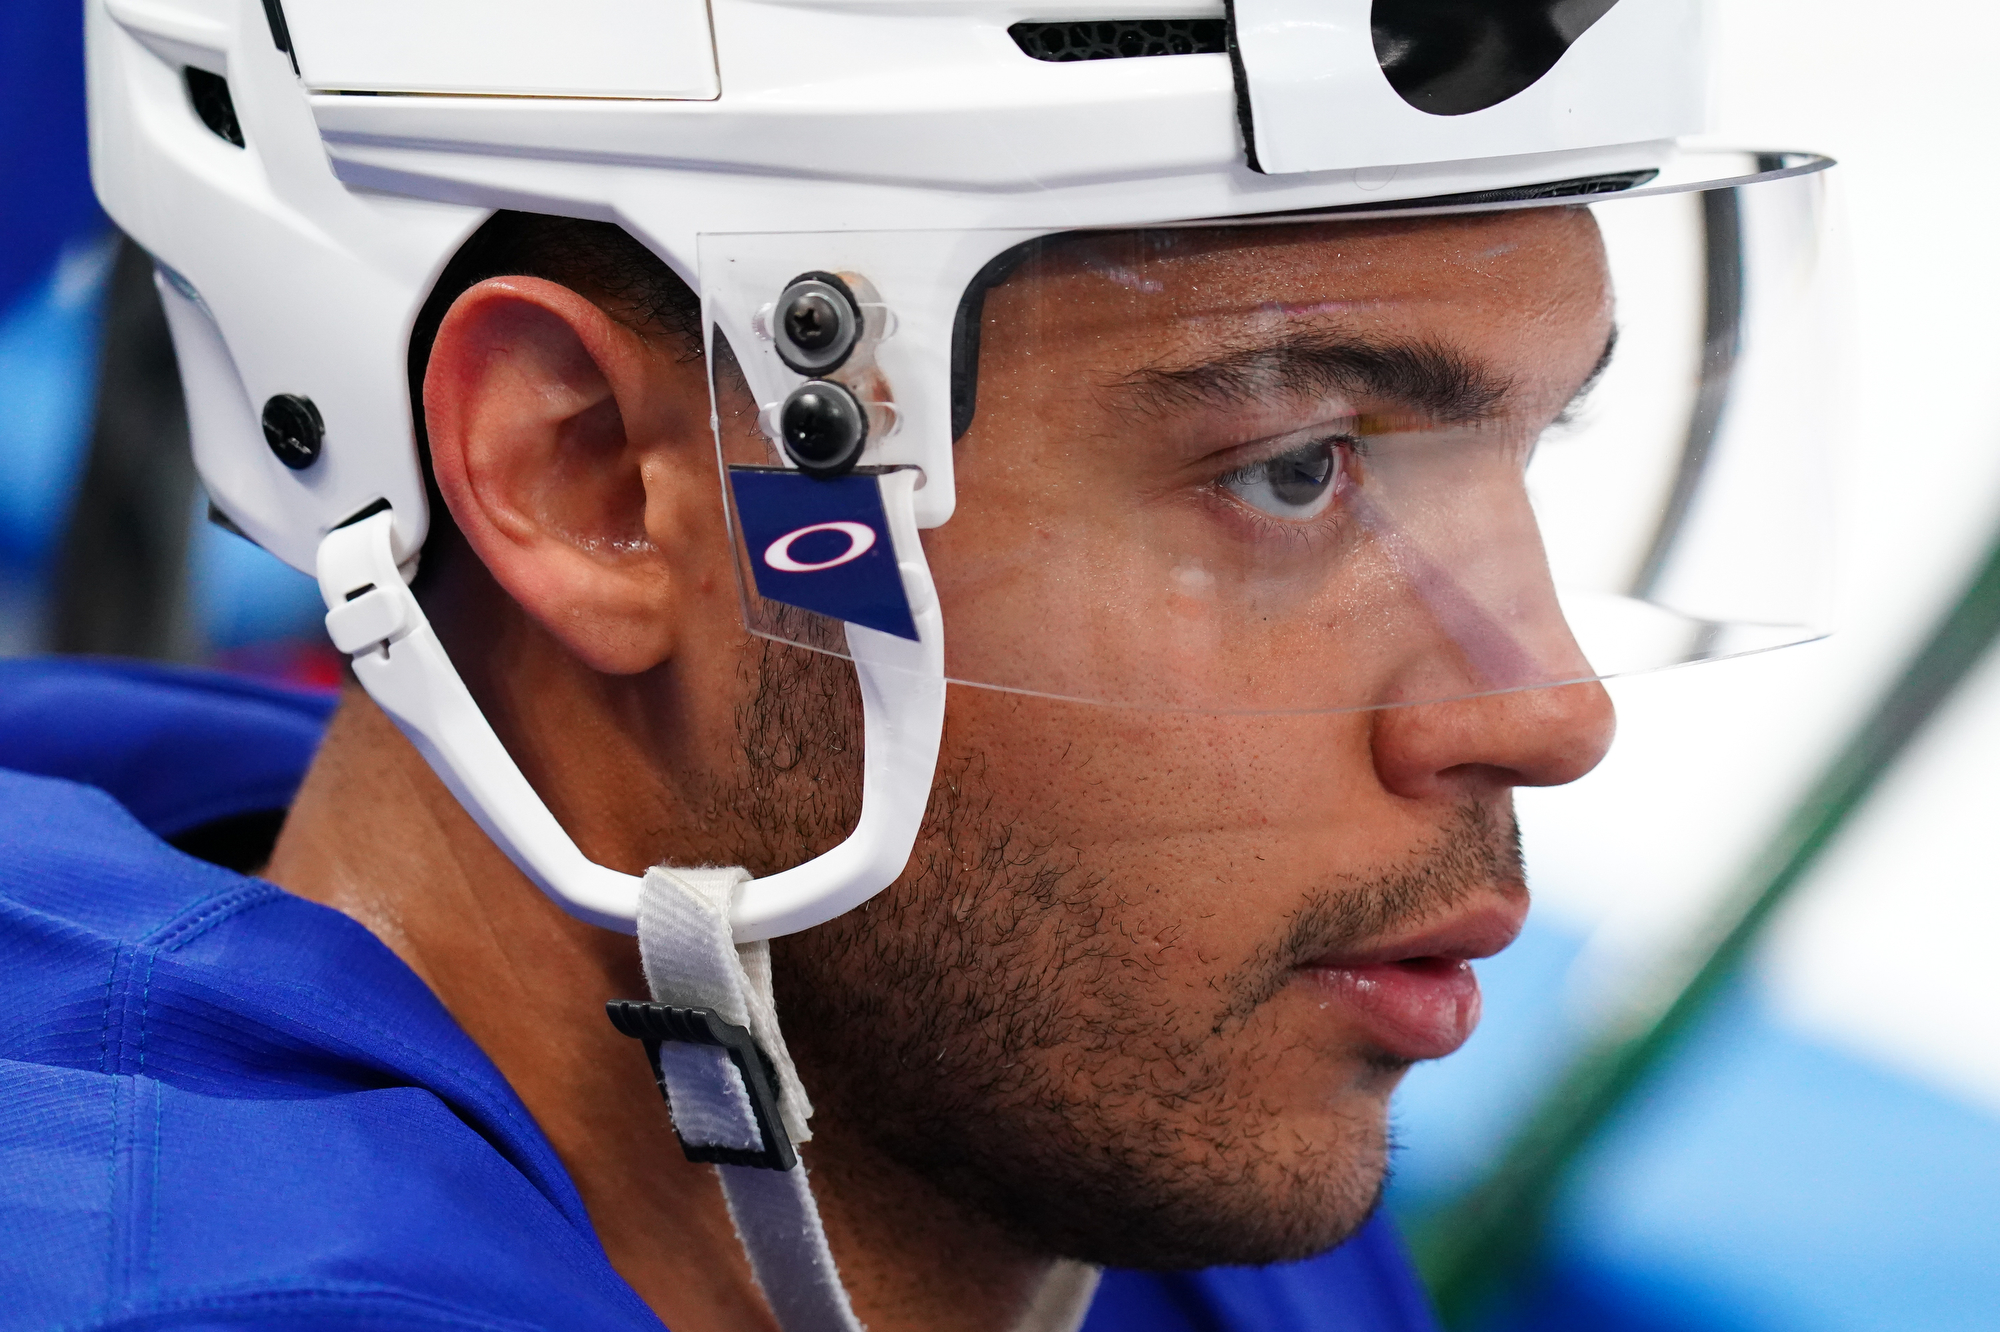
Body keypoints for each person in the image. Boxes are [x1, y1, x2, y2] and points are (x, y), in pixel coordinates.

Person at [2, 2, 1833, 1329]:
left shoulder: (1109, 1109)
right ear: (595, 484)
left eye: (1538, 441)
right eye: (1293, 470)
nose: (1547, 711)